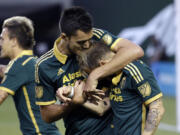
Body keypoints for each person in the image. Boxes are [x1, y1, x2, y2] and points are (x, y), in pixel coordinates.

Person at [35, 7, 144, 135]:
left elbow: (136, 50)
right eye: (81, 42)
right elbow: (47, 115)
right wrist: (72, 103)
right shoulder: (45, 66)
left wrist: (94, 75)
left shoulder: (98, 36)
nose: (87, 45)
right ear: (65, 37)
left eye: (89, 39)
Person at [74, 41, 165, 135]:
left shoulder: (134, 70)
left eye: (93, 73)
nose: (95, 78)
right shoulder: (113, 77)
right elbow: (102, 108)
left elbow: (157, 108)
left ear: (102, 65)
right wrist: (73, 94)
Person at [0, 16, 61, 135]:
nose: (0, 43)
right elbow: (6, 71)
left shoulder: (19, 65)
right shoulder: (32, 62)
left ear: (14, 41)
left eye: (2, 39)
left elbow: (1, 95)